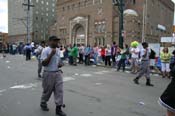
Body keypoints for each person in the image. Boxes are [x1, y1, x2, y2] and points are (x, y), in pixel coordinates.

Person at [40, 36, 66, 116]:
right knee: (47, 91)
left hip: (57, 73)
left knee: (59, 91)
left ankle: (58, 109)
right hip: (48, 73)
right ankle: (43, 102)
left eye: (57, 41)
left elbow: (59, 61)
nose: (56, 42)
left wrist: (61, 64)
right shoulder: (45, 50)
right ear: (50, 41)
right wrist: (51, 54)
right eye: (55, 41)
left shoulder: (58, 50)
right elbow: (44, 63)